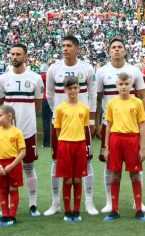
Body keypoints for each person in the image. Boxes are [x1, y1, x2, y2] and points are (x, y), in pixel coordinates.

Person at [44, 36, 97, 217]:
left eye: (69, 46)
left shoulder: (87, 68)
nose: (65, 49)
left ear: (77, 48)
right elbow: (49, 95)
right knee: (56, 162)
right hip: (60, 124)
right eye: (63, 46)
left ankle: (88, 203)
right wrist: (60, 114)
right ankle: (56, 203)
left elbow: (92, 94)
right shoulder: (54, 68)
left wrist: (91, 120)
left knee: (87, 162)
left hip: (81, 124)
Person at [96, 38, 145, 214]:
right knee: (110, 166)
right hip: (110, 125)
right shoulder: (102, 71)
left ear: (125, 51)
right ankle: (110, 203)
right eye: (113, 48)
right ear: (109, 51)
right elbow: (97, 99)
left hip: (132, 128)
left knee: (136, 167)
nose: (117, 50)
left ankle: (138, 203)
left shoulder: (134, 71)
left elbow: (143, 95)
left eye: (120, 47)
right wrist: (96, 123)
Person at [0, 43, 44, 216]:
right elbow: (3, 104)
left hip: (28, 130)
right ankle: (6, 206)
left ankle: (33, 204)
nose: (15, 57)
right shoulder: (2, 79)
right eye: (13, 54)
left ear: (25, 57)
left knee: (29, 166)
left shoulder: (35, 78)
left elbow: (38, 104)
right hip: (7, 132)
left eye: (18, 54)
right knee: (6, 167)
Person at [102, 72, 145, 222]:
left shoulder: (137, 103)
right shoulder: (112, 103)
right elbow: (108, 126)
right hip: (116, 140)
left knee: (135, 175)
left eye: (126, 84)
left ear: (131, 85)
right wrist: (106, 147)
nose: (123, 87)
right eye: (121, 84)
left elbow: (142, 126)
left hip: (132, 140)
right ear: (116, 85)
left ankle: (139, 209)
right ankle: (114, 210)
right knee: (115, 174)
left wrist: (142, 148)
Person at [54, 75, 91, 223]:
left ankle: (76, 210)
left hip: (80, 144)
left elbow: (84, 127)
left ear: (79, 88)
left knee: (77, 179)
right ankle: (67, 211)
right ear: (65, 90)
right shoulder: (60, 108)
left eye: (75, 87)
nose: (73, 90)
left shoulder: (84, 108)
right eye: (70, 88)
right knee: (67, 179)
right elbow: (58, 129)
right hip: (65, 145)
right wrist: (63, 142)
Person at [0, 105, 27, 227]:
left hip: (13, 164)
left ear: (9, 116)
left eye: (0, 115)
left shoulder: (17, 132)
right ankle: (5, 215)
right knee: (3, 190)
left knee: (13, 189)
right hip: (0, 164)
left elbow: (23, 152)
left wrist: (12, 165)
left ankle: (12, 216)